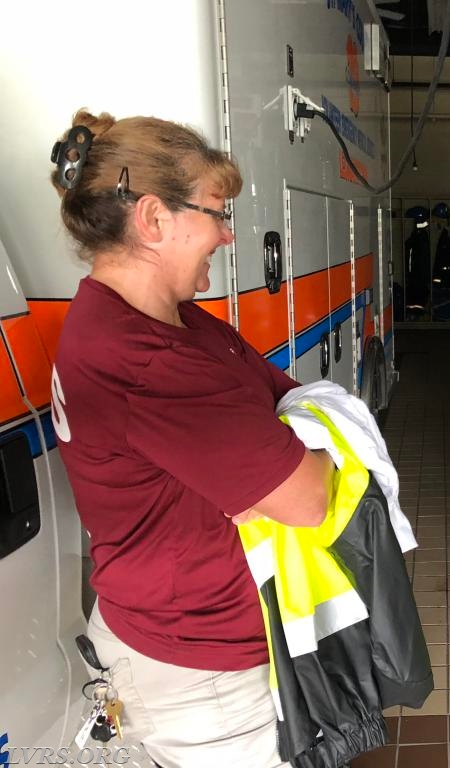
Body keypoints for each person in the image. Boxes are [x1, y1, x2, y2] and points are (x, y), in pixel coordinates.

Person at [50, 109, 335, 766]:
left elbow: (287, 395)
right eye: (216, 212)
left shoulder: (164, 323)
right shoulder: (146, 360)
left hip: (175, 639)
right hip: (199, 677)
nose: (229, 236)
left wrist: (273, 453)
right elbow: (308, 497)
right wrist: (305, 455)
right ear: (154, 219)